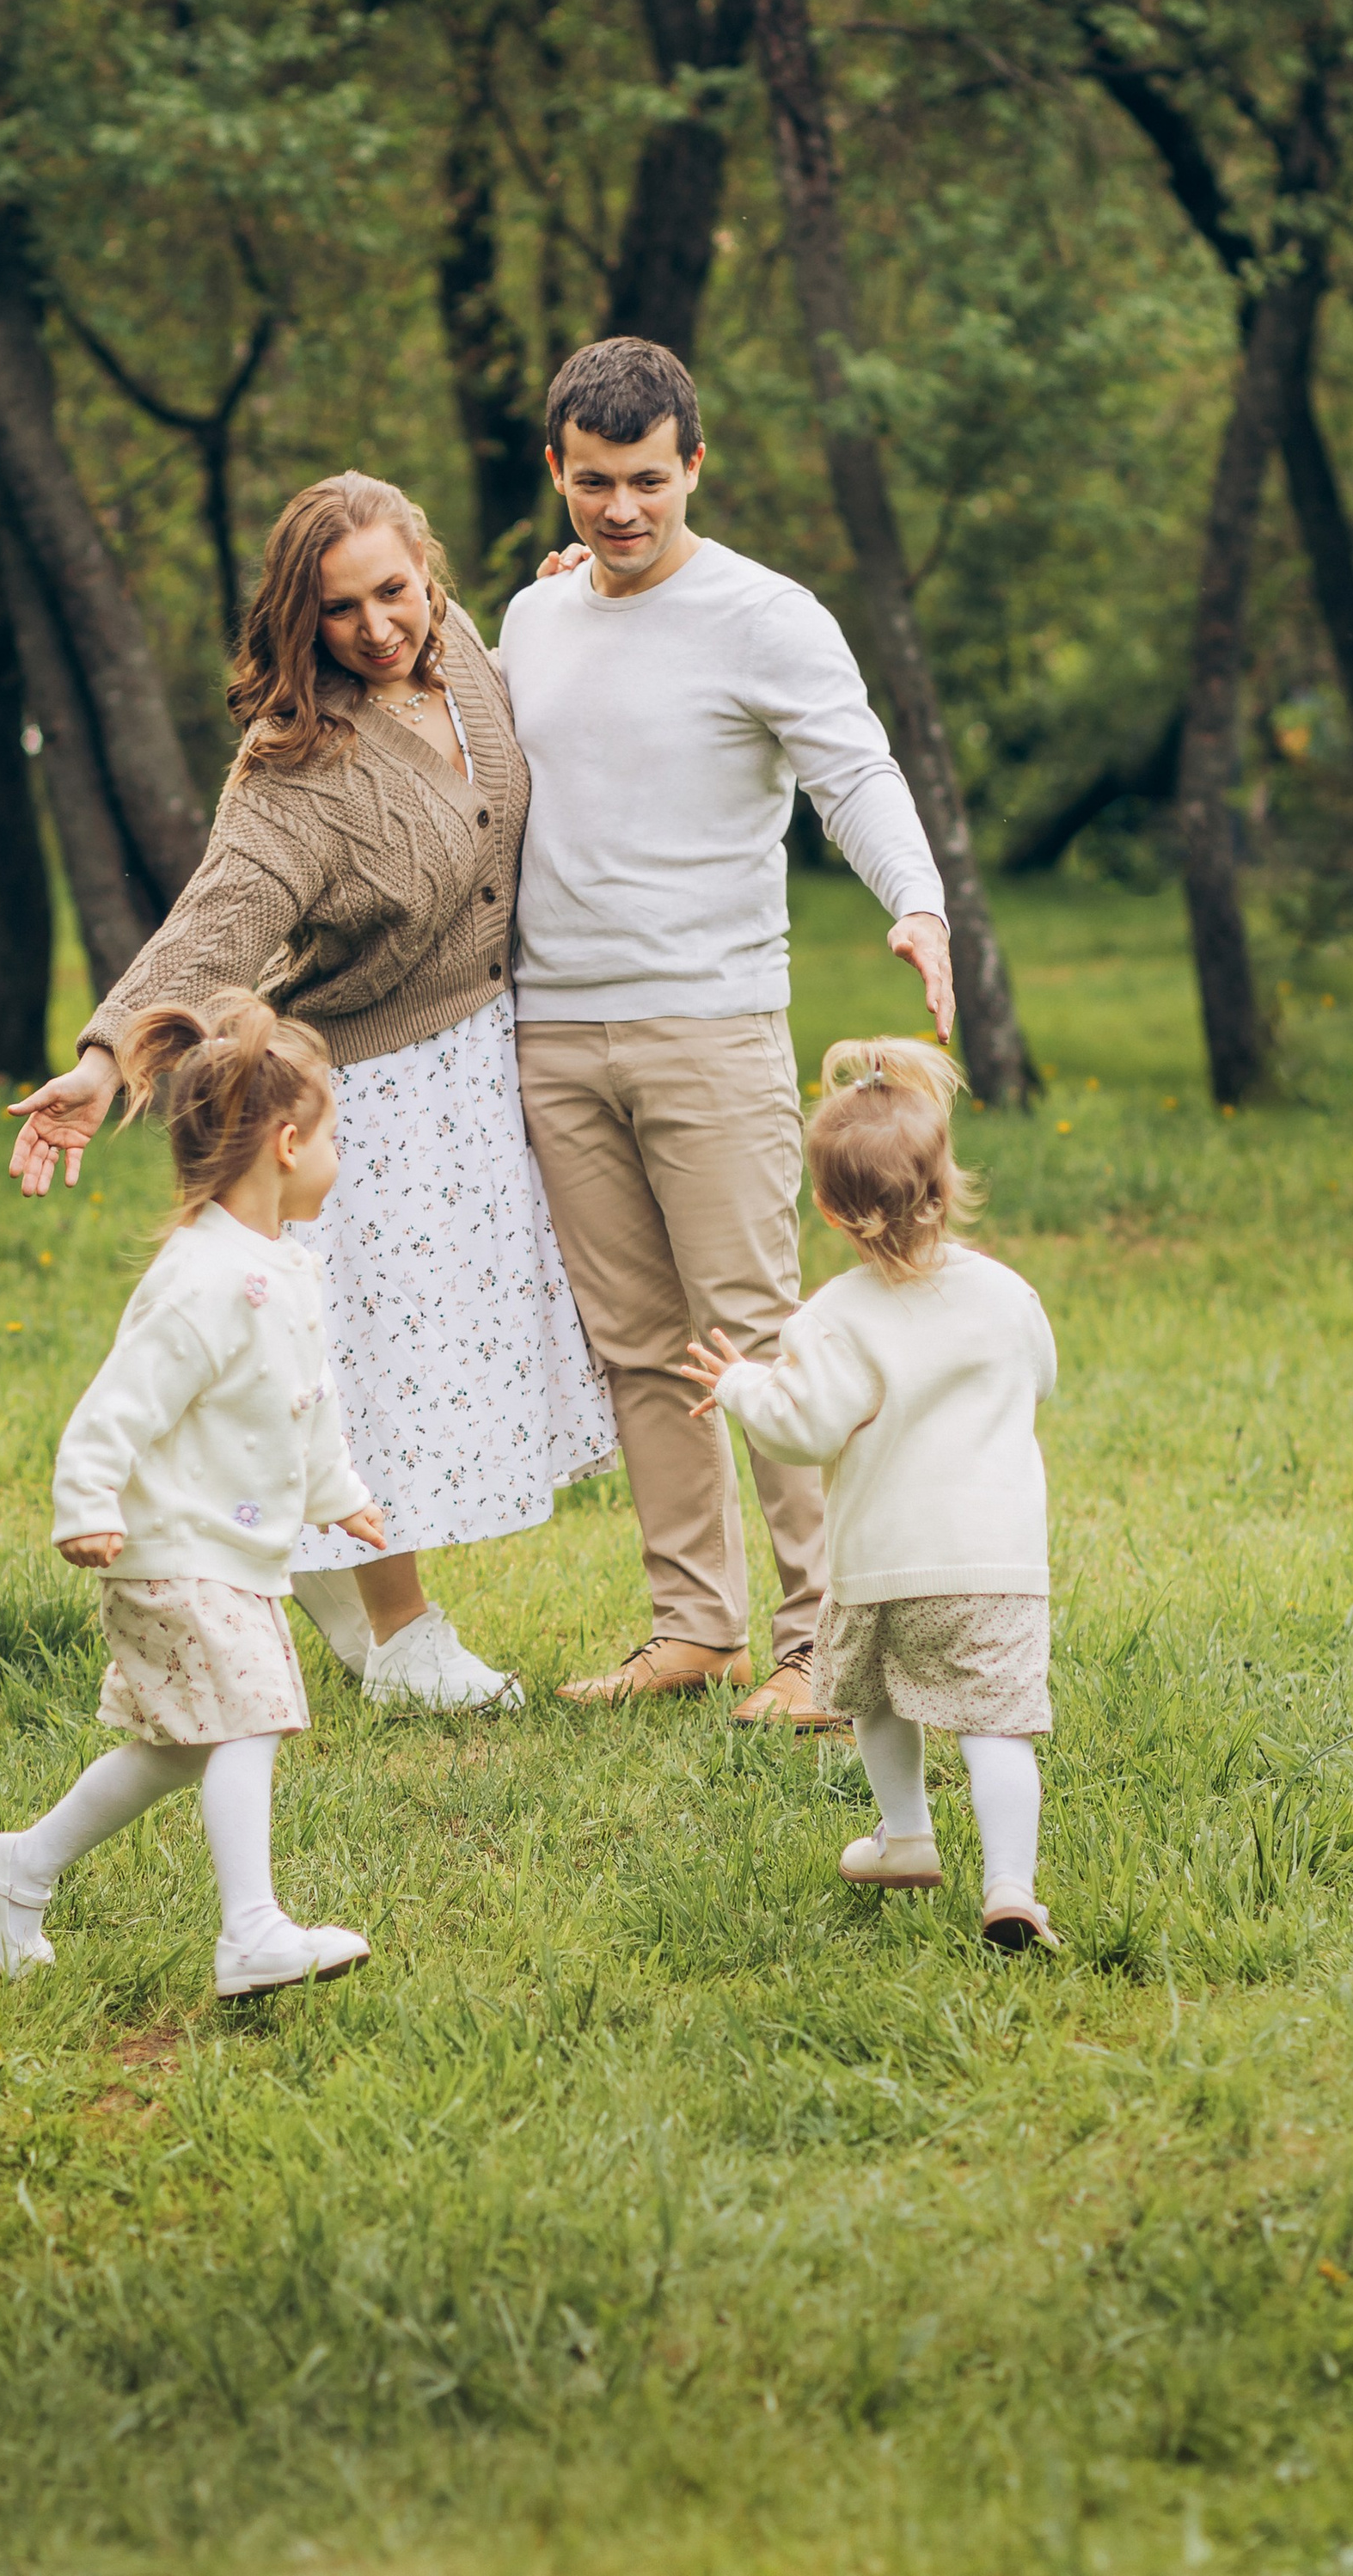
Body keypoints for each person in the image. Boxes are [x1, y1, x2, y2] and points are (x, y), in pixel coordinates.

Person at [4, 472, 614, 1712]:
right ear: (305, 620)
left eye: (394, 590)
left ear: (428, 571)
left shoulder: (473, 660)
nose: (378, 627)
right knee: (363, 1363)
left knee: (458, 1346)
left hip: (485, 1066)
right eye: (342, 610)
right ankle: (402, 1638)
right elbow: (215, 921)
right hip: (367, 1095)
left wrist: (578, 590)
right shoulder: (299, 760)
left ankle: (335, 1577)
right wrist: (106, 1054)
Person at [502, 334, 954, 1716]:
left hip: (709, 1022)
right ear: (557, 473)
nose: (621, 511)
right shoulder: (534, 617)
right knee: (638, 1344)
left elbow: (854, 769)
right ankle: (695, 1627)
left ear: (696, 464)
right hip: (557, 1031)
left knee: (757, 1340)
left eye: (648, 481)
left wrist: (916, 903)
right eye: (594, 485)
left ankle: (825, 1646)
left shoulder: (767, 615)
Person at [0, 995, 381, 1999]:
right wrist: (87, 1506)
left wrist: (338, 1492)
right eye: (333, 1135)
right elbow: (117, 1407)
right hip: (176, 1554)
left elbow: (299, 1401)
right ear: (286, 1144)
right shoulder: (201, 1280)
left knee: (178, 1748)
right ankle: (251, 1933)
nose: (339, 1155)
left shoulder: (280, 1267)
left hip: (225, 1553)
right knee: (249, 1724)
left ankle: (22, 1865)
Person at [683, 1037, 1060, 1949]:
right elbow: (1040, 1379)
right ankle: (1010, 1887)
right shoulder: (1008, 1296)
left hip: (882, 1564)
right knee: (997, 1726)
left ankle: (905, 1837)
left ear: (826, 1209)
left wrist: (740, 1387)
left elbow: (800, 1430)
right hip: (997, 1565)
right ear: (946, 1183)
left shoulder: (830, 1320)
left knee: (879, 1697)